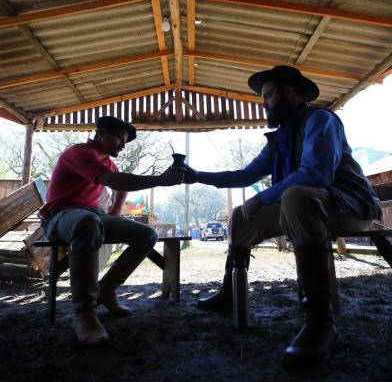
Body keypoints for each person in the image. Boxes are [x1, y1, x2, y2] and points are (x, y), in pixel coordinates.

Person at [183, 65, 381, 367]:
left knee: (296, 194)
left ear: (289, 92)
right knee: (241, 216)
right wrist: (196, 175)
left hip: (351, 206)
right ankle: (230, 292)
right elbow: (245, 175)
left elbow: (315, 174)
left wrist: (262, 198)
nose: (264, 102)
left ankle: (321, 323)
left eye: (268, 95)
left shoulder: (321, 120)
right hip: (308, 207)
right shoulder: (280, 140)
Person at [39, 116, 185, 346]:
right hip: (59, 215)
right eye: (119, 138)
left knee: (147, 235)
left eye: (125, 141)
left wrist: (115, 211)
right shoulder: (80, 153)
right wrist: (160, 180)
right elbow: (113, 181)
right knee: (88, 222)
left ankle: (106, 290)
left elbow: (120, 185)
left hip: (93, 216)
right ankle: (84, 313)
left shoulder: (108, 161)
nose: (123, 145)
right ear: (100, 133)